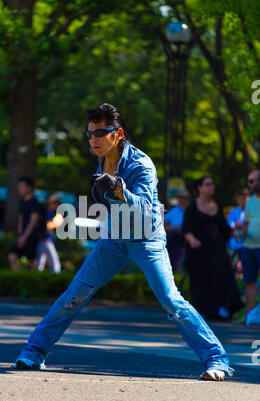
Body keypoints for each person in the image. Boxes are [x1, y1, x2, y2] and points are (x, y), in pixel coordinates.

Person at [14, 103, 234, 381]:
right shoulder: (103, 158)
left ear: (117, 134)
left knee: (171, 300)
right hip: (113, 238)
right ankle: (34, 352)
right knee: (74, 296)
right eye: (90, 133)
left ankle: (217, 360)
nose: (93, 139)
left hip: (147, 240)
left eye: (100, 133)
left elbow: (143, 205)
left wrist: (120, 190)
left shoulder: (142, 164)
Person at [182, 176, 244, 321]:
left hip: (217, 248)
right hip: (200, 251)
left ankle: (219, 310)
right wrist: (193, 241)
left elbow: (223, 226)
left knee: (222, 277)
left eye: (212, 184)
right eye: (207, 184)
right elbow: (186, 230)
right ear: (200, 188)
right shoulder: (192, 207)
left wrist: (233, 233)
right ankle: (203, 311)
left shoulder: (217, 204)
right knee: (202, 279)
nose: (211, 187)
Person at [8, 177, 46, 271]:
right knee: (12, 257)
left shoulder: (35, 203)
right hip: (22, 236)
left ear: (29, 188)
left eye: (21, 187)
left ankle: (31, 280)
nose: (19, 189)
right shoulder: (22, 202)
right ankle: (19, 278)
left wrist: (24, 237)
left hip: (32, 237)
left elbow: (33, 221)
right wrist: (20, 235)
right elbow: (21, 219)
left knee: (32, 262)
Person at [241, 170, 260, 316]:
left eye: (252, 181)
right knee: (249, 281)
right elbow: (247, 223)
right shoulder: (249, 201)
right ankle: (250, 314)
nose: (249, 184)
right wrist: (242, 231)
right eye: (248, 181)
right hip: (248, 246)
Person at [164, 189, 189, 272]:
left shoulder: (190, 210)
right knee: (171, 261)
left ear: (187, 199)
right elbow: (163, 221)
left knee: (180, 261)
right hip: (173, 239)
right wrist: (168, 227)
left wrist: (171, 228)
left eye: (183, 198)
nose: (181, 200)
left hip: (185, 239)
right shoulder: (174, 210)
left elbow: (186, 226)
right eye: (179, 197)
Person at [37, 194, 63, 273]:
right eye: (55, 203)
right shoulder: (46, 212)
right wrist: (56, 223)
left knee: (40, 262)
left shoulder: (50, 212)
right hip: (45, 240)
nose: (56, 206)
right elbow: (46, 226)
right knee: (55, 264)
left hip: (46, 240)